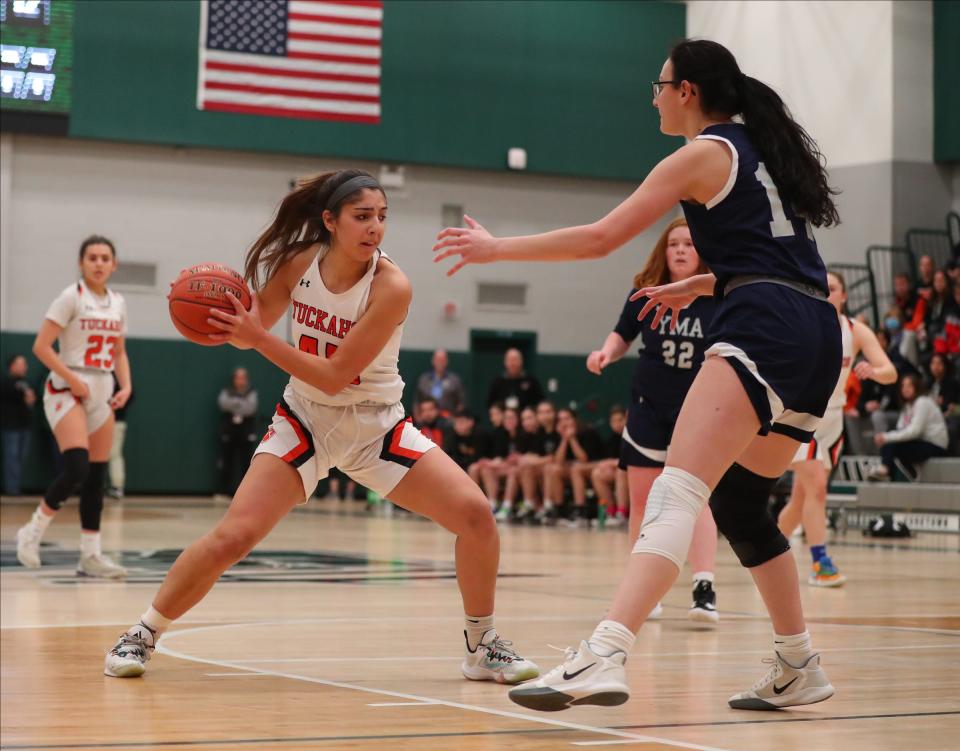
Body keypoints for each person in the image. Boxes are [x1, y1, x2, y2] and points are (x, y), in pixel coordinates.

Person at [435, 39, 842, 712]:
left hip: (765, 324)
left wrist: (495, 248)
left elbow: (601, 237)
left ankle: (605, 649)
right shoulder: (762, 149)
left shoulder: (702, 153)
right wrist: (713, 281)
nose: (652, 97)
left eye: (658, 85)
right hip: (813, 329)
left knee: (676, 489)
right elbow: (791, 257)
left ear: (686, 91)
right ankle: (799, 661)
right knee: (740, 504)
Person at [103, 169, 538, 685]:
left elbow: (335, 376)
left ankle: (482, 645)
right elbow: (257, 327)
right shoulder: (298, 264)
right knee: (233, 537)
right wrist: (226, 320)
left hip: (377, 426)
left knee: (475, 516)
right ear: (329, 221)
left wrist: (256, 338)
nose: (375, 227)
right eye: (362, 216)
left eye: (382, 217)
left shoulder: (391, 286)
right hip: (305, 420)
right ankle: (143, 633)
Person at [586, 217, 720, 623]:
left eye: (688, 244)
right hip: (647, 405)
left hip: (696, 409)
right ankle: (644, 589)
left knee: (695, 500)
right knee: (642, 501)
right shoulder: (645, 292)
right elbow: (622, 333)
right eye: (673, 244)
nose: (679, 250)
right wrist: (606, 352)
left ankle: (704, 585)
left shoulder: (719, 295)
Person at [16, 236, 132, 578]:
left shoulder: (118, 302)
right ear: (81, 263)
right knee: (77, 467)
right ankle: (31, 532)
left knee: (96, 476)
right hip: (67, 387)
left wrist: (126, 385)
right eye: (92, 257)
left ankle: (91, 555)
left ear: (114, 264)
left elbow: (120, 352)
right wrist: (71, 376)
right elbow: (41, 346)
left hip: (103, 385)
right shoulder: (71, 297)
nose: (98, 263)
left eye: (104, 257)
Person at [776, 271, 896, 587]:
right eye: (822, 288)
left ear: (844, 295)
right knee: (816, 486)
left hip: (833, 421)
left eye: (833, 288)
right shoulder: (798, 323)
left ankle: (767, 551)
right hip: (800, 416)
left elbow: (890, 372)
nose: (827, 293)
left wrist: (874, 371)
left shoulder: (855, 330)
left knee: (803, 497)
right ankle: (821, 563)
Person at [868, 374, 950, 480]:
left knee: (891, 443)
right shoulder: (908, 406)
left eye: (909, 386)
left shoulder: (923, 402)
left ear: (916, 387)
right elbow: (900, 429)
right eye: (903, 386)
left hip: (935, 446)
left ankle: (884, 470)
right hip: (920, 442)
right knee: (890, 440)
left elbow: (915, 431)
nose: (905, 389)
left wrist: (887, 437)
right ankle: (887, 472)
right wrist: (886, 437)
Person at [547, 407, 605, 528]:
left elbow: (584, 459)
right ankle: (559, 511)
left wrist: (572, 439)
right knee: (554, 470)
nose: (564, 422)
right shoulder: (559, 435)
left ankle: (580, 512)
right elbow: (558, 461)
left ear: (575, 419)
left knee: (576, 469)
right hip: (576, 467)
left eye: (567, 418)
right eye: (561, 420)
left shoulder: (587, 432)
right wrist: (564, 439)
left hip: (596, 465)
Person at [216, 367, 258, 499]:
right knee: (227, 460)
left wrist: (235, 404)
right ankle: (223, 491)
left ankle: (246, 493)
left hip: (245, 432)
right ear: (234, 379)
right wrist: (240, 403)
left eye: (243, 378)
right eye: (238, 377)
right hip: (229, 431)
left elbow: (250, 408)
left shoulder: (251, 392)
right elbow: (223, 403)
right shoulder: (227, 391)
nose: (240, 380)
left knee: (246, 462)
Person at [589, 407, 630, 528]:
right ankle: (610, 512)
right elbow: (609, 459)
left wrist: (613, 462)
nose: (617, 424)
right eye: (613, 421)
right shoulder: (612, 439)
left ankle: (622, 514)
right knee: (597, 474)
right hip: (620, 472)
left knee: (620, 470)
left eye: (620, 420)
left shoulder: (633, 435)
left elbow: (630, 459)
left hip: (635, 471)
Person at [1, 355, 36, 496]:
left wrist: (29, 399)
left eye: (25, 364)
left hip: (25, 426)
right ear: (12, 366)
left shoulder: (26, 382)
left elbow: (31, 400)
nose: (24, 367)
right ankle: (12, 490)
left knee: (20, 458)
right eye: (20, 364)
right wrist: (23, 397)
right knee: (12, 458)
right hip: (10, 427)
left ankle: (15, 488)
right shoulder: (5, 382)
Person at [414, 348, 466, 415]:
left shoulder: (455, 380)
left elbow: (461, 403)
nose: (440, 362)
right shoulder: (424, 380)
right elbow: (416, 402)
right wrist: (419, 419)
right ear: (433, 361)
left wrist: (455, 419)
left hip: (448, 419)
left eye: (442, 360)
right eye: (438, 359)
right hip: (426, 419)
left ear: (447, 361)